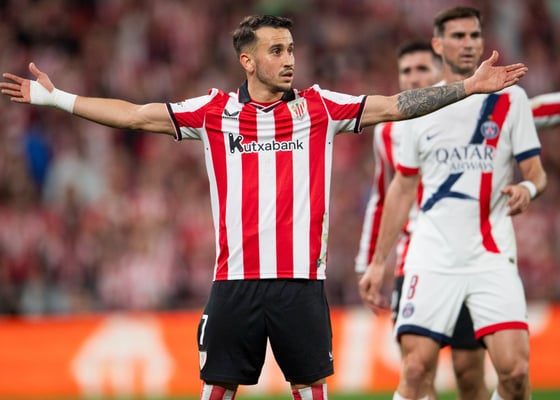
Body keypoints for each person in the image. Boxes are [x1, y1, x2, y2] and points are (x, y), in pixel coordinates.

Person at [1, 14, 527, 400]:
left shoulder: (320, 108)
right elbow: (136, 115)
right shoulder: (214, 111)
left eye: (291, 49)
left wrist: (466, 87)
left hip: (301, 283)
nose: (289, 59)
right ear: (248, 61)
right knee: (217, 390)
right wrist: (56, 98)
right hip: (235, 283)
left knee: (311, 390)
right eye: (276, 51)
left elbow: (394, 106)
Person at [358, 6, 546, 400]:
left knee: (515, 374)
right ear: (438, 45)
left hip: (491, 256)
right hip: (432, 256)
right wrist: (377, 262)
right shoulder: (420, 106)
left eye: (474, 35)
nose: (468, 43)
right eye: (458, 36)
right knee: (415, 370)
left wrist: (527, 190)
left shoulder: (512, 100)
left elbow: (536, 174)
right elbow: (401, 188)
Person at [355, 40, 490, 400]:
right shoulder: (387, 131)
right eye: (406, 71)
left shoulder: (469, 117)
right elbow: (382, 197)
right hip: (414, 258)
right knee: (416, 370)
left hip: (467, 257)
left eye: (421, 69)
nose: (413, 78)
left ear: (439, 72)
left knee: (469, 372)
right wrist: (370, 263)